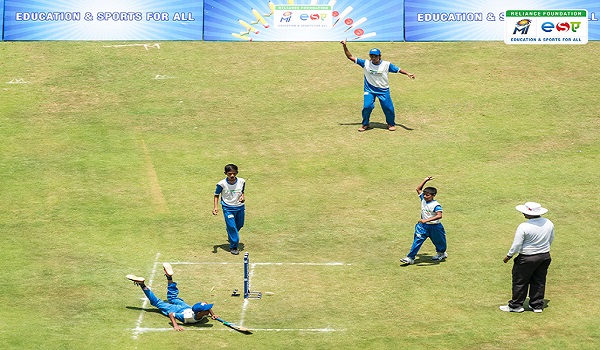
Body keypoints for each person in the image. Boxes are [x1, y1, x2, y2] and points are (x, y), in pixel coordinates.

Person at [340, 40, 415, 132]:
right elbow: (350, 56)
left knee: (388, 108)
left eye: (375, 56)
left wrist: (407, 73)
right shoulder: (365, 63)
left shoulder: (386, 65)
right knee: (367, 107)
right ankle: (365, 124)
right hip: (370, 89)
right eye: (371, 56)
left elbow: (398, 69)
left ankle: (391, 123)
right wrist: (344, 46)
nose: (373, 58)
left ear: (380, 56)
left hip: (383, 90)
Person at [126, 263, 218, 331]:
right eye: (207, 310)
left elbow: (205, 303)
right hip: (178, 309)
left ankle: (169, 277)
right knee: (157, 302)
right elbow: (171, 314)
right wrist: (175, 325)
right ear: (199, 313)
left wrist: (212, 314)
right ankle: (142, 284)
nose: (208, 310)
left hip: (186, 307)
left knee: (172, 298)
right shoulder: (188, 318)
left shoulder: (200, 313)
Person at [500, 202, 554, 313]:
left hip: (527, 258)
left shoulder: (524, 226)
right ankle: (537, 305)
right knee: (539, 280)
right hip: (544, 256)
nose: (523, 214)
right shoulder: (549, 223)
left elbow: (517, 244)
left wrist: (509, 256)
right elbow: (551, 239)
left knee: (520, 281)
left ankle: (516, 306)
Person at [400, 176, 447, 265]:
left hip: (435, 226)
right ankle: (410, 258)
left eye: (427, 195)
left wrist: (426, 220)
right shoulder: (423, 200)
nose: (425, 196)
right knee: (417, 240)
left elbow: (439, 216)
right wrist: (425, 180)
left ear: (433, 195)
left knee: (439, 241)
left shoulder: (436, 205)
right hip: (422, 226)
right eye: (424, 194)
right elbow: (418, 189)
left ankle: (441, 253)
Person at [213, 164, 246, 255]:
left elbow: (242, 191)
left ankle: (231, 232)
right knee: (232, 226)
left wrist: (242, 197)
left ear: (237, 173)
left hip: (239, 207)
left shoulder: (242, 181)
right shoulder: (221, 184)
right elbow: (216, 195)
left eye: (234, 173)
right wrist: (215, 207)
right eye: (229, 173)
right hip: (228, 207)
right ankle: (233, 247)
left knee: (239, 225)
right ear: (225, 173)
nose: (232, 175)